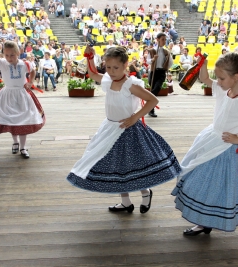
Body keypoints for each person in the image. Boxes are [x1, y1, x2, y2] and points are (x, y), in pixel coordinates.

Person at [66, 46, 181, 213]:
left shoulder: (130, 85)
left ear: (126, 65)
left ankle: (145, 192)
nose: (111, 71)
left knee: (133, 166)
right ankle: (126, 202)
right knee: (118, 168)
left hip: (128, 130)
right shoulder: (108, 80)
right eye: (108, 67)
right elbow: (92, 74)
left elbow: (153, 100)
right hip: (110, 128)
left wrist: (135, 117)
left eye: (116, 68)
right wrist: (90, 57)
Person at [172, 52, 238, 235]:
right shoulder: (223, 88)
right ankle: (204, 222)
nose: (217, 81)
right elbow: (204, 78)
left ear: (236, 77)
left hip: (226, 146)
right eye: (217, 77)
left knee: (234, 185)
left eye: (221, 77)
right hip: (210, 139)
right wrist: (203, 63)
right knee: (203, 182)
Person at [0, 41, 46, 159]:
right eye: (6, 55)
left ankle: (23, 147)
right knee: (12, 120)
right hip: (7, 95)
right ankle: (15, 142)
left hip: (22, 95)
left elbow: (33, 71)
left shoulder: (25, 64)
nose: (9, 58)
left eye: (12, 55)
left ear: (18, 53)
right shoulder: (2, 63)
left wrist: (30, 82)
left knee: (23, 120)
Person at [147, 33, 173, 117]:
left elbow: (170, 63)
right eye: (162, 39)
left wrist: (166, 67)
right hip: (153, 72)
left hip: (161, 72)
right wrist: (153, 59)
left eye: (165, 40)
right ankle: (150, 109)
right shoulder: (151, 51)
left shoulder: (166, 52)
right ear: (157, 39)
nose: (164, 41)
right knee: (153, 89)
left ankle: (149, 105)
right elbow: (147, 61)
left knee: (156, 89)